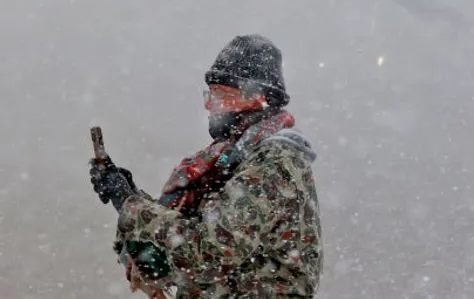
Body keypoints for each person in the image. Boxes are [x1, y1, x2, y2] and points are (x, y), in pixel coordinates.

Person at [90, 34, 323, 297]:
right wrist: (125, 198)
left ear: (257, 98)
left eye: (221, 95)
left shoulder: (273, 164)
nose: (210, 105)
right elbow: (171, 256)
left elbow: (208, 252)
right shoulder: (228, 163)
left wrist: (133, 207)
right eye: (209, 95)